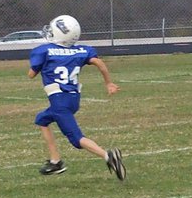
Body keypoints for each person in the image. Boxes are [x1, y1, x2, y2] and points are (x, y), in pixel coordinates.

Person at [28, 14, 126, 180]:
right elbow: (99, 63)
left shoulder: (44, 51)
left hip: (59, 101)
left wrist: (42, 66)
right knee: (42, 119)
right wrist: (108, 83)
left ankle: (108, 156)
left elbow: (31, 74)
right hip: (73, 99)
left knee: (76, 139)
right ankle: (55, 161)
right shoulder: (82, 50)